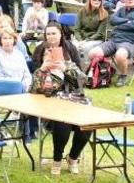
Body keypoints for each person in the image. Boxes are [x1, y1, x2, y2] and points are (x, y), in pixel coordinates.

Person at [31, 22, 91, 174]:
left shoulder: (69, 61)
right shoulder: (41, 69)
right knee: (63, 125)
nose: (51, 37)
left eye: (54, 33)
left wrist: (65, 69)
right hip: (50, 109)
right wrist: (43, 69)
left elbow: (83, 81)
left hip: (72, 103)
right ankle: (57, 159)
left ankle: (73, 157)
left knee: (87, 126)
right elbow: (34, 90)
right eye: (48, 34)